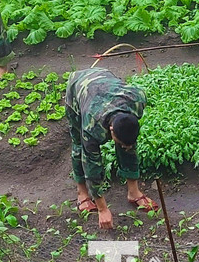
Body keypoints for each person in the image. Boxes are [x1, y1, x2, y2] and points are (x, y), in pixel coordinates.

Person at [66, 66, 156, 230]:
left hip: (104, 76)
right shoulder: (92, 125)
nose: (123, 146)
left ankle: (133, 192)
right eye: (119, 142)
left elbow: (128, 142)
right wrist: (102, 209)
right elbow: (92, 165)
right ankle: (82, 194)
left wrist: (126, 144)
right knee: (80, 145)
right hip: (78, 87)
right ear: (111, 130)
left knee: (128, 147)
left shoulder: (137, 100)